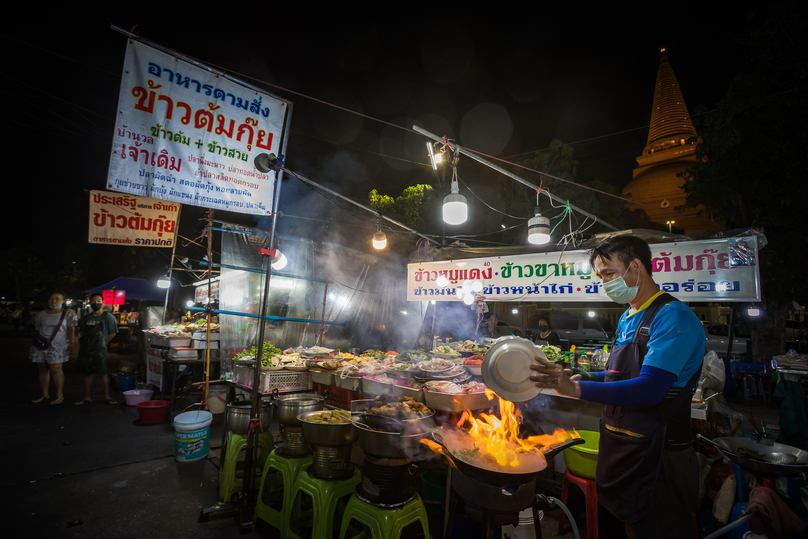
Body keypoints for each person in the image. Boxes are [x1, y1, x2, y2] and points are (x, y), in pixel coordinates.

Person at [530, 235, 705, 539]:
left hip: (660, 455)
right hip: (623, 445)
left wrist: (579, 391)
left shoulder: (672, 317)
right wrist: (578, 377)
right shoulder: (628, 316)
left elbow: (650, 389)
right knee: (627, 526)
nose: (604, 282)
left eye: (609, 274)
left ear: (636, 267)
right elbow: (616, 375)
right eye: (600, 276)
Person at [30, 291, 77, 406]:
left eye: (57, 298)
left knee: (56, 369)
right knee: (42, 368)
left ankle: (59, 395)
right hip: (42, 344)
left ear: (63, 301)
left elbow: (71, 329)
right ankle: (44, 394)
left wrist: (71, 343)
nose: (54, 300)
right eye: (51, 298)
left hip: (58, 344)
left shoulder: (68, 313)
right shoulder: (42, 313)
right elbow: (38, 327)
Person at [74, 293, 119, 405]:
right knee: (87, 373)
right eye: (93, 301)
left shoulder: (109, 317)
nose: (96, 303)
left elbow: (112, 333)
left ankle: (107, 397)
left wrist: (103, 343)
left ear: (103, 303)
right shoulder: (86, 318)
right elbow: (82, 332)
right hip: (86, 349)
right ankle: (88, 396)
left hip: (100, 350)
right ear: (90, 303)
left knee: (102, 373)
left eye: (99, 301)